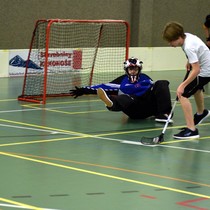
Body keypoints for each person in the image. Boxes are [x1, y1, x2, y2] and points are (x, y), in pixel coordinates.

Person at [70, 57, 173, 123]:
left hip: (149, 108)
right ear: (126, 70)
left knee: (162, 83)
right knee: (124, 97)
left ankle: (164, 113)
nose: (133, 71)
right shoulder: (121, 81)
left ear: (139, 70)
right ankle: (110, 103)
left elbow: (156, 90)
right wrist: (83, 90)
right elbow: (105, 86)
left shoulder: (145, 78)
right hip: (135, 111)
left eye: (135, 69)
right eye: (131, 69)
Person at [162, 21, 210, 139]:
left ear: (178, 37)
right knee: (196, 88)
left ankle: (191, 129)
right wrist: (190, 61)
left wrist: (182, 85)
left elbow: (196, 70)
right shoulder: (187, 36)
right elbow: (199, 50)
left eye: (171, 41)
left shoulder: (188, 46)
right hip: (204, 65)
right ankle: (201, 113)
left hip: (205, 71)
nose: (170, 44)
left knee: (182, 94)